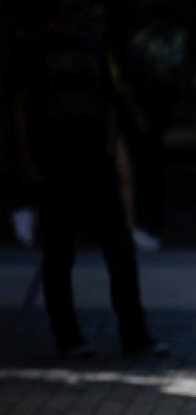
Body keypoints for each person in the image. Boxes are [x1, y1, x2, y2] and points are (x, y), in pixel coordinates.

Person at [9, 0, 168, 358]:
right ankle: (68, 336)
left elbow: (109, 104)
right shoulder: (35, 47)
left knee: (121, 251)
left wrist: (110, 151)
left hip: (95, 162)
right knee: (58, 255)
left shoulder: (95, 48)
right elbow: (18, 105)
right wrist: (27, 160)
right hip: (54, 165)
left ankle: (135, 334)